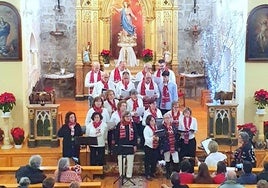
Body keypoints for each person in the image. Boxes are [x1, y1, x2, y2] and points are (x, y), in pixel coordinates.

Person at [114, 111, 137, 180]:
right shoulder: (119, 124)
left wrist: (135, 145)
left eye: (129, 116)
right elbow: (116, 135)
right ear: (123, 117)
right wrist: (117, 144)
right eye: (127, 116)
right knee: (121, 161)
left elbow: (135, 135)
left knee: (130, 161)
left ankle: (129, 175)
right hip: (121, 146)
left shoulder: (133, 124)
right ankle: (122, 174)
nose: (128, 118)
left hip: (130, 145)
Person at [159, 113, 180, 178]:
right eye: (166, 118)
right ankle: (168, 173)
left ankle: (176, 174)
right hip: (166, 145)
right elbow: (161, 137)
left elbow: (176, 135)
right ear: (164, 119)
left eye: (168, 118)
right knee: (167, 159)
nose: (167, 119)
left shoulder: (173, 126)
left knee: (176, 160)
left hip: (174, 145)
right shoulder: (161, 127)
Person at [143, 115, 160, 181]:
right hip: (148, 146)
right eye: (151, 121)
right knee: (147, 161)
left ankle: (153, 172)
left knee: (154, 160)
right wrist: (153, 138)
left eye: (154, 120)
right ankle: (147, 174)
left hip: (155, 146)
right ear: (148, 121)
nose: (153, 122)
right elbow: (146, 139)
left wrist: (157, 138)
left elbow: (158, 134)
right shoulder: (146, 128)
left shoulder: (155, 127)